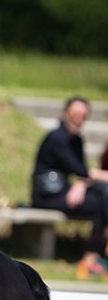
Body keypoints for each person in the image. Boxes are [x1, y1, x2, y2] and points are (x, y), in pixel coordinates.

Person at [31, 96, 108, 279]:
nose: (78, 119)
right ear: (65, 114)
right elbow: (80, 170)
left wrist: (81, 184)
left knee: (103, 195)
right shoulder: (57, 137)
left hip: (65, 190)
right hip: (47, 194)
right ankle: (90, 257)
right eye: (75, 114)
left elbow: (81, 173)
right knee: (100, 203)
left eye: (83, 115)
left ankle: (93, 254)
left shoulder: (77, 140)